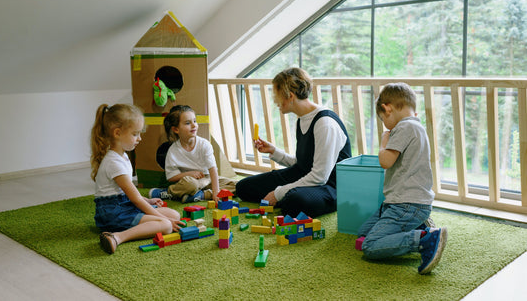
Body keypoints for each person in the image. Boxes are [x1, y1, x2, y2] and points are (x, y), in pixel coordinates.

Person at [235, 67, 352, 218]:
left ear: (290, 96)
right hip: (307, 176)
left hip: (329, 186)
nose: (275, 101)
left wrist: (278, 193)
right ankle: (285, 197)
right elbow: (302, 165)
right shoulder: (302, 119)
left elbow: (320, 177)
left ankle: (286, 199)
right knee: (243, 187)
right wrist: (274, 152)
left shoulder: (325, 124)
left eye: (276, 96)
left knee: (294, 202)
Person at [357, 82, 447, 274]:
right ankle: (420, 224)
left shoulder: (404, 127)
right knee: (364, 234)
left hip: (406, 205)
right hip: (401, 204)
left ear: (387, 109)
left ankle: (424, 238)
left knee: (370, 245)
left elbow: (386, 161)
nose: (385, 125)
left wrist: (383, 142)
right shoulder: (415, 125)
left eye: (382, 119)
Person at [90, 104, 184, 254]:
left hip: (123, 205)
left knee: (174, 215)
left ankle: (150, 223)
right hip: (113, 213)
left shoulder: (123, 156)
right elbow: (135, 199)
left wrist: (149, 201)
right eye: (135, 134)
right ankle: (117, 237)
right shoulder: (114, 162)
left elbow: (131, 194)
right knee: (166, 225)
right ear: (117, 133)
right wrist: (160, 218)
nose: (139, 138)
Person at [149, 105, 236, 203]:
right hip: (189, 182)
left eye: (194, 121)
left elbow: (213, 170)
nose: (194, 125)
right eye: (187, 123)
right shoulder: (173, 151)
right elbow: (171, 177)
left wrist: (216, 191)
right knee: (191, 185)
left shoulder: (204, 144)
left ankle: (202, 195)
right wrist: (189, 174)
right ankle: (168, 192)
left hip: (207, 179)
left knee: (236, 185)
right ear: (176, 129)